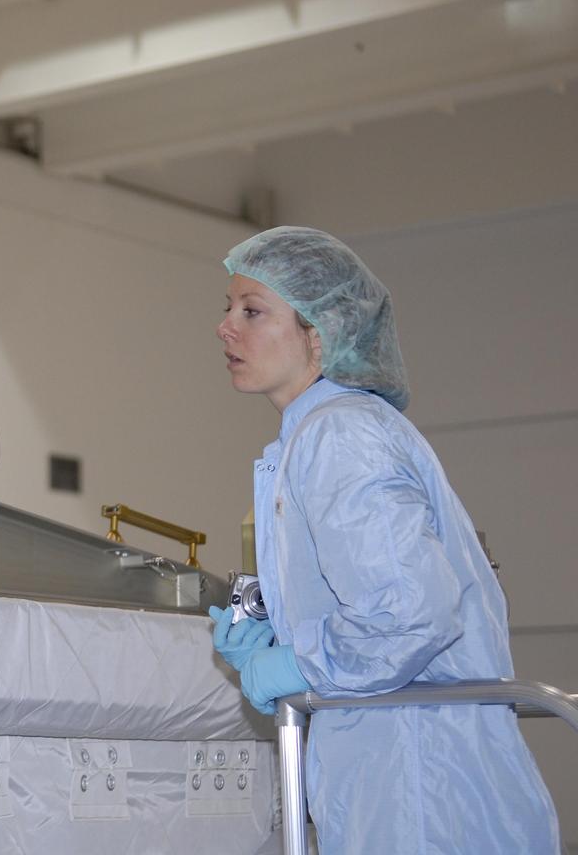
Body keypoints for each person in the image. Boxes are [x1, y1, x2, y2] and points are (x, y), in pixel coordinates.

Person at [208, 226, 560, 854]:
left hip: (425, 789)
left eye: (253, 311)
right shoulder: (311, 438)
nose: (226, 327)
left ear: (321, 332)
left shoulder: (341, 436)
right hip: (394, 777)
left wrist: (299, 662)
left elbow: (408, 615)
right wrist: (277, 641)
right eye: (228, 308)